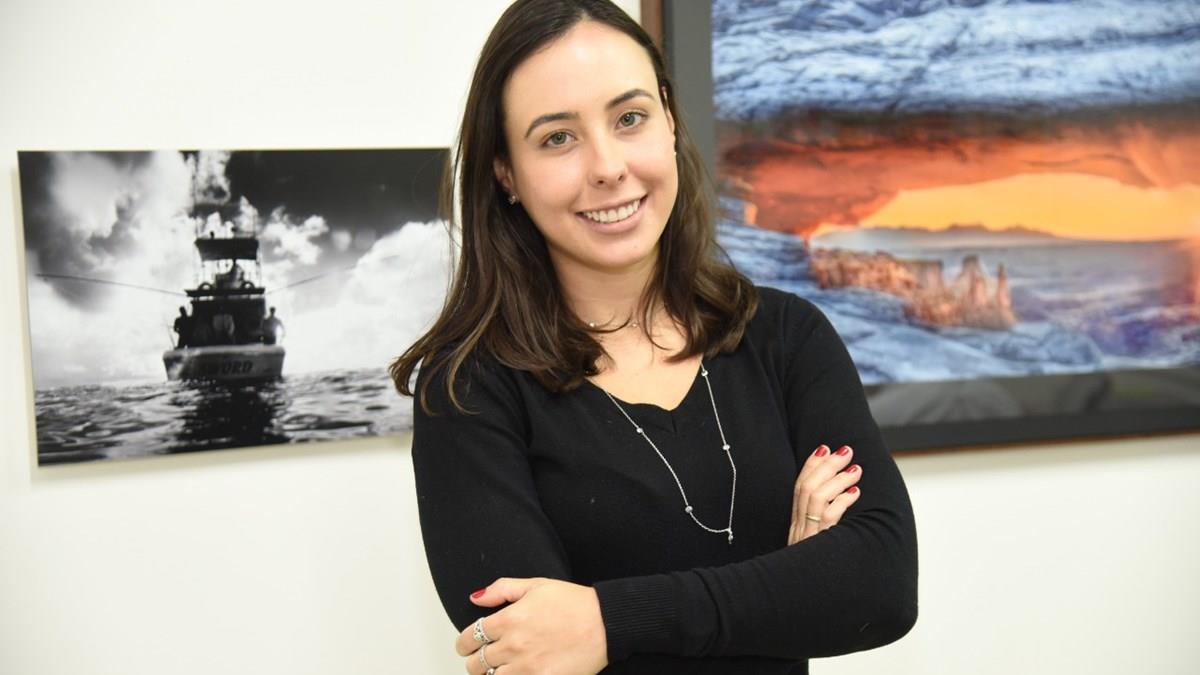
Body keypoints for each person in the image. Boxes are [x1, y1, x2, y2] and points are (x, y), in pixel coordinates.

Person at [389, 2, 917, 673]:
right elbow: (529, 650)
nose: (608, 166)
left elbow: (881, 584)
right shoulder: (466, 388)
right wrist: (789, 585)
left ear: (668, 119)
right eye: (558, 137)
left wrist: (606, 622)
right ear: (505, 172)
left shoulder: (787, 337)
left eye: (629, 118)